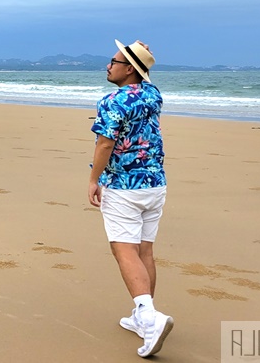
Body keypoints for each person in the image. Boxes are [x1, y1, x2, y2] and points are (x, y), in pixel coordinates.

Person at [88, 40, 173, 358]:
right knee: (144, 250)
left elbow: (105, 144)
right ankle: (141, 316)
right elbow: (146, 82)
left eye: (114, 61)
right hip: (155, 184)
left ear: (129, 69)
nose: (108, 65)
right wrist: (140, 53)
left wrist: (94, 179)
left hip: (124, 186)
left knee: (124, 251)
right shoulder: (153, 94)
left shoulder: (111, 101)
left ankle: (150, 318)